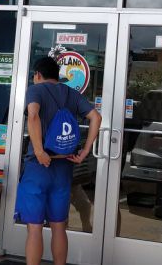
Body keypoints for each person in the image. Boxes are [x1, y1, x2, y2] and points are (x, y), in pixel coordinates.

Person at [14, 57, 103, 265]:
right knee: (59, 226)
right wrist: (85, 151)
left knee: (35, 228)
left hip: (38, 167)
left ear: (38, 75)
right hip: (64, 167)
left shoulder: (35, 90)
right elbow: (96, 117)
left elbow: (33, 116)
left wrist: (39, 151)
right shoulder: (71, 93)